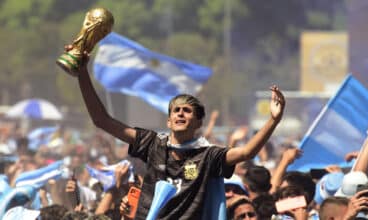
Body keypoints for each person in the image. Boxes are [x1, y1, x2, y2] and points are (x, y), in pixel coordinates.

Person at [65, 46, 285, 219]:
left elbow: (246, 152)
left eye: (187, 111)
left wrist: (273, 120)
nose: (180, 114)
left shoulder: (208, 156)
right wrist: (82, 73)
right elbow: (101, 120)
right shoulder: (152, 144)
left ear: (198, 122)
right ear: (169, 121)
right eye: (176, 111)